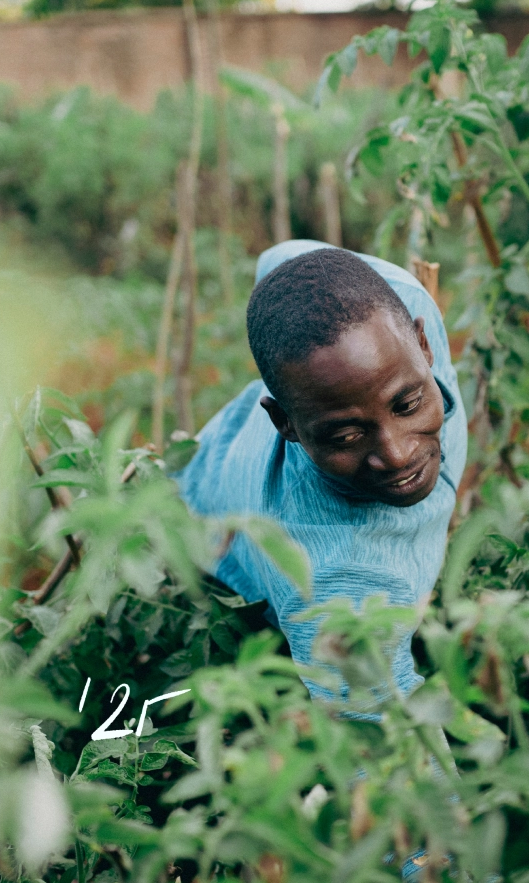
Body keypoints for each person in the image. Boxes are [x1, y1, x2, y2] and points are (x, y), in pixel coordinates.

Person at [173, 240, 467, 714]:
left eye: (407, 404)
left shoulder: (403, 297)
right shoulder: (331, 586)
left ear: (423, 343)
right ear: (285, 423)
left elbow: (278, 259)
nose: (397, 455)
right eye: (347, 436)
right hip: (205, 533)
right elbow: (387, 742)